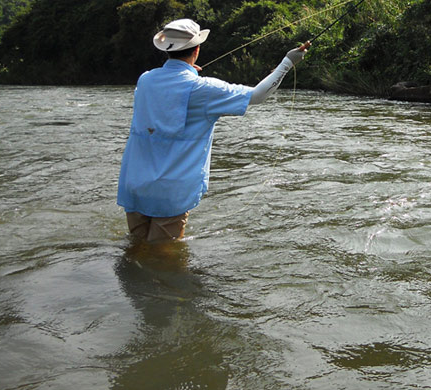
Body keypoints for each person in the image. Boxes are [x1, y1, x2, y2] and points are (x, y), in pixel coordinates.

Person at [117, 18, 308, 243]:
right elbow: (257, 96)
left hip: (136, 183)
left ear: (167, 50)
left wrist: (188, 72)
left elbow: (167, 98)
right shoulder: (204, 89)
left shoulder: (146, 80)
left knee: (136, 248)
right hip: (170, 192)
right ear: (197, 49)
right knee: (163, 257)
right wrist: (288, 62)